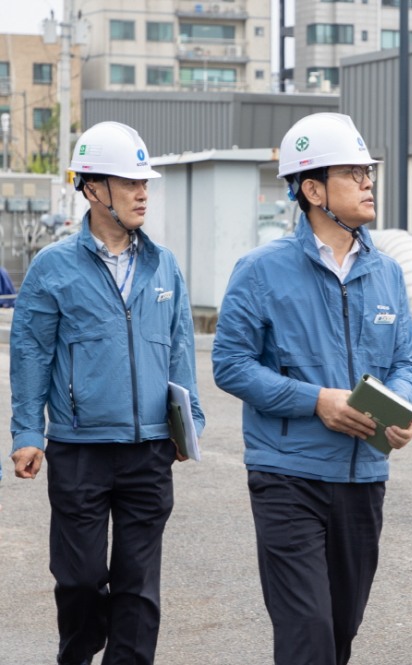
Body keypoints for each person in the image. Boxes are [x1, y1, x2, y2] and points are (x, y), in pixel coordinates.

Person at [212, 112, 412, 665]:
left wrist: (396, 410)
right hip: (288, 477)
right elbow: (230, 364)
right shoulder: (259, 271)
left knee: (340, 632)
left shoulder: (388, 273)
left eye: (367, 171)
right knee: (307, 635)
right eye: (353, 173)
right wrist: (317, 401)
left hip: (363, 479)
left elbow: (405, 361)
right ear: (312, 189)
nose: (368, 181)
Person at [9, 121, 205, 665]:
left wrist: (190, 425)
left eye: (146, 182)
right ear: (93, 189)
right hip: (79, 450)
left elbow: (180, 349)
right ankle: (77, 652)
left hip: (148, 451)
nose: (144, 193)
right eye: (130, 182)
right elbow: (29, 357)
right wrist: (28, 433)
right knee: (79, 579)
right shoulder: (53, 269)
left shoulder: (164, 265)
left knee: (138, 587)